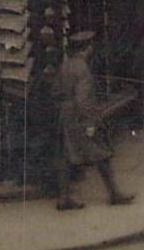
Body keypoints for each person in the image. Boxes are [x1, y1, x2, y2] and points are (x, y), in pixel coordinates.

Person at [53, 31, 134, 210]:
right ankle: (114, 194)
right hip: (80, 118)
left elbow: (56, 92)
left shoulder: (65, 66)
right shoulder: (83, 69)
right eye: (90, 46)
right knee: (101, 153)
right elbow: (83, 101)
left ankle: (64, 198)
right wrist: (90, 123)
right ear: (86, 49)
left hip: (65, 117)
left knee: (66, 157)